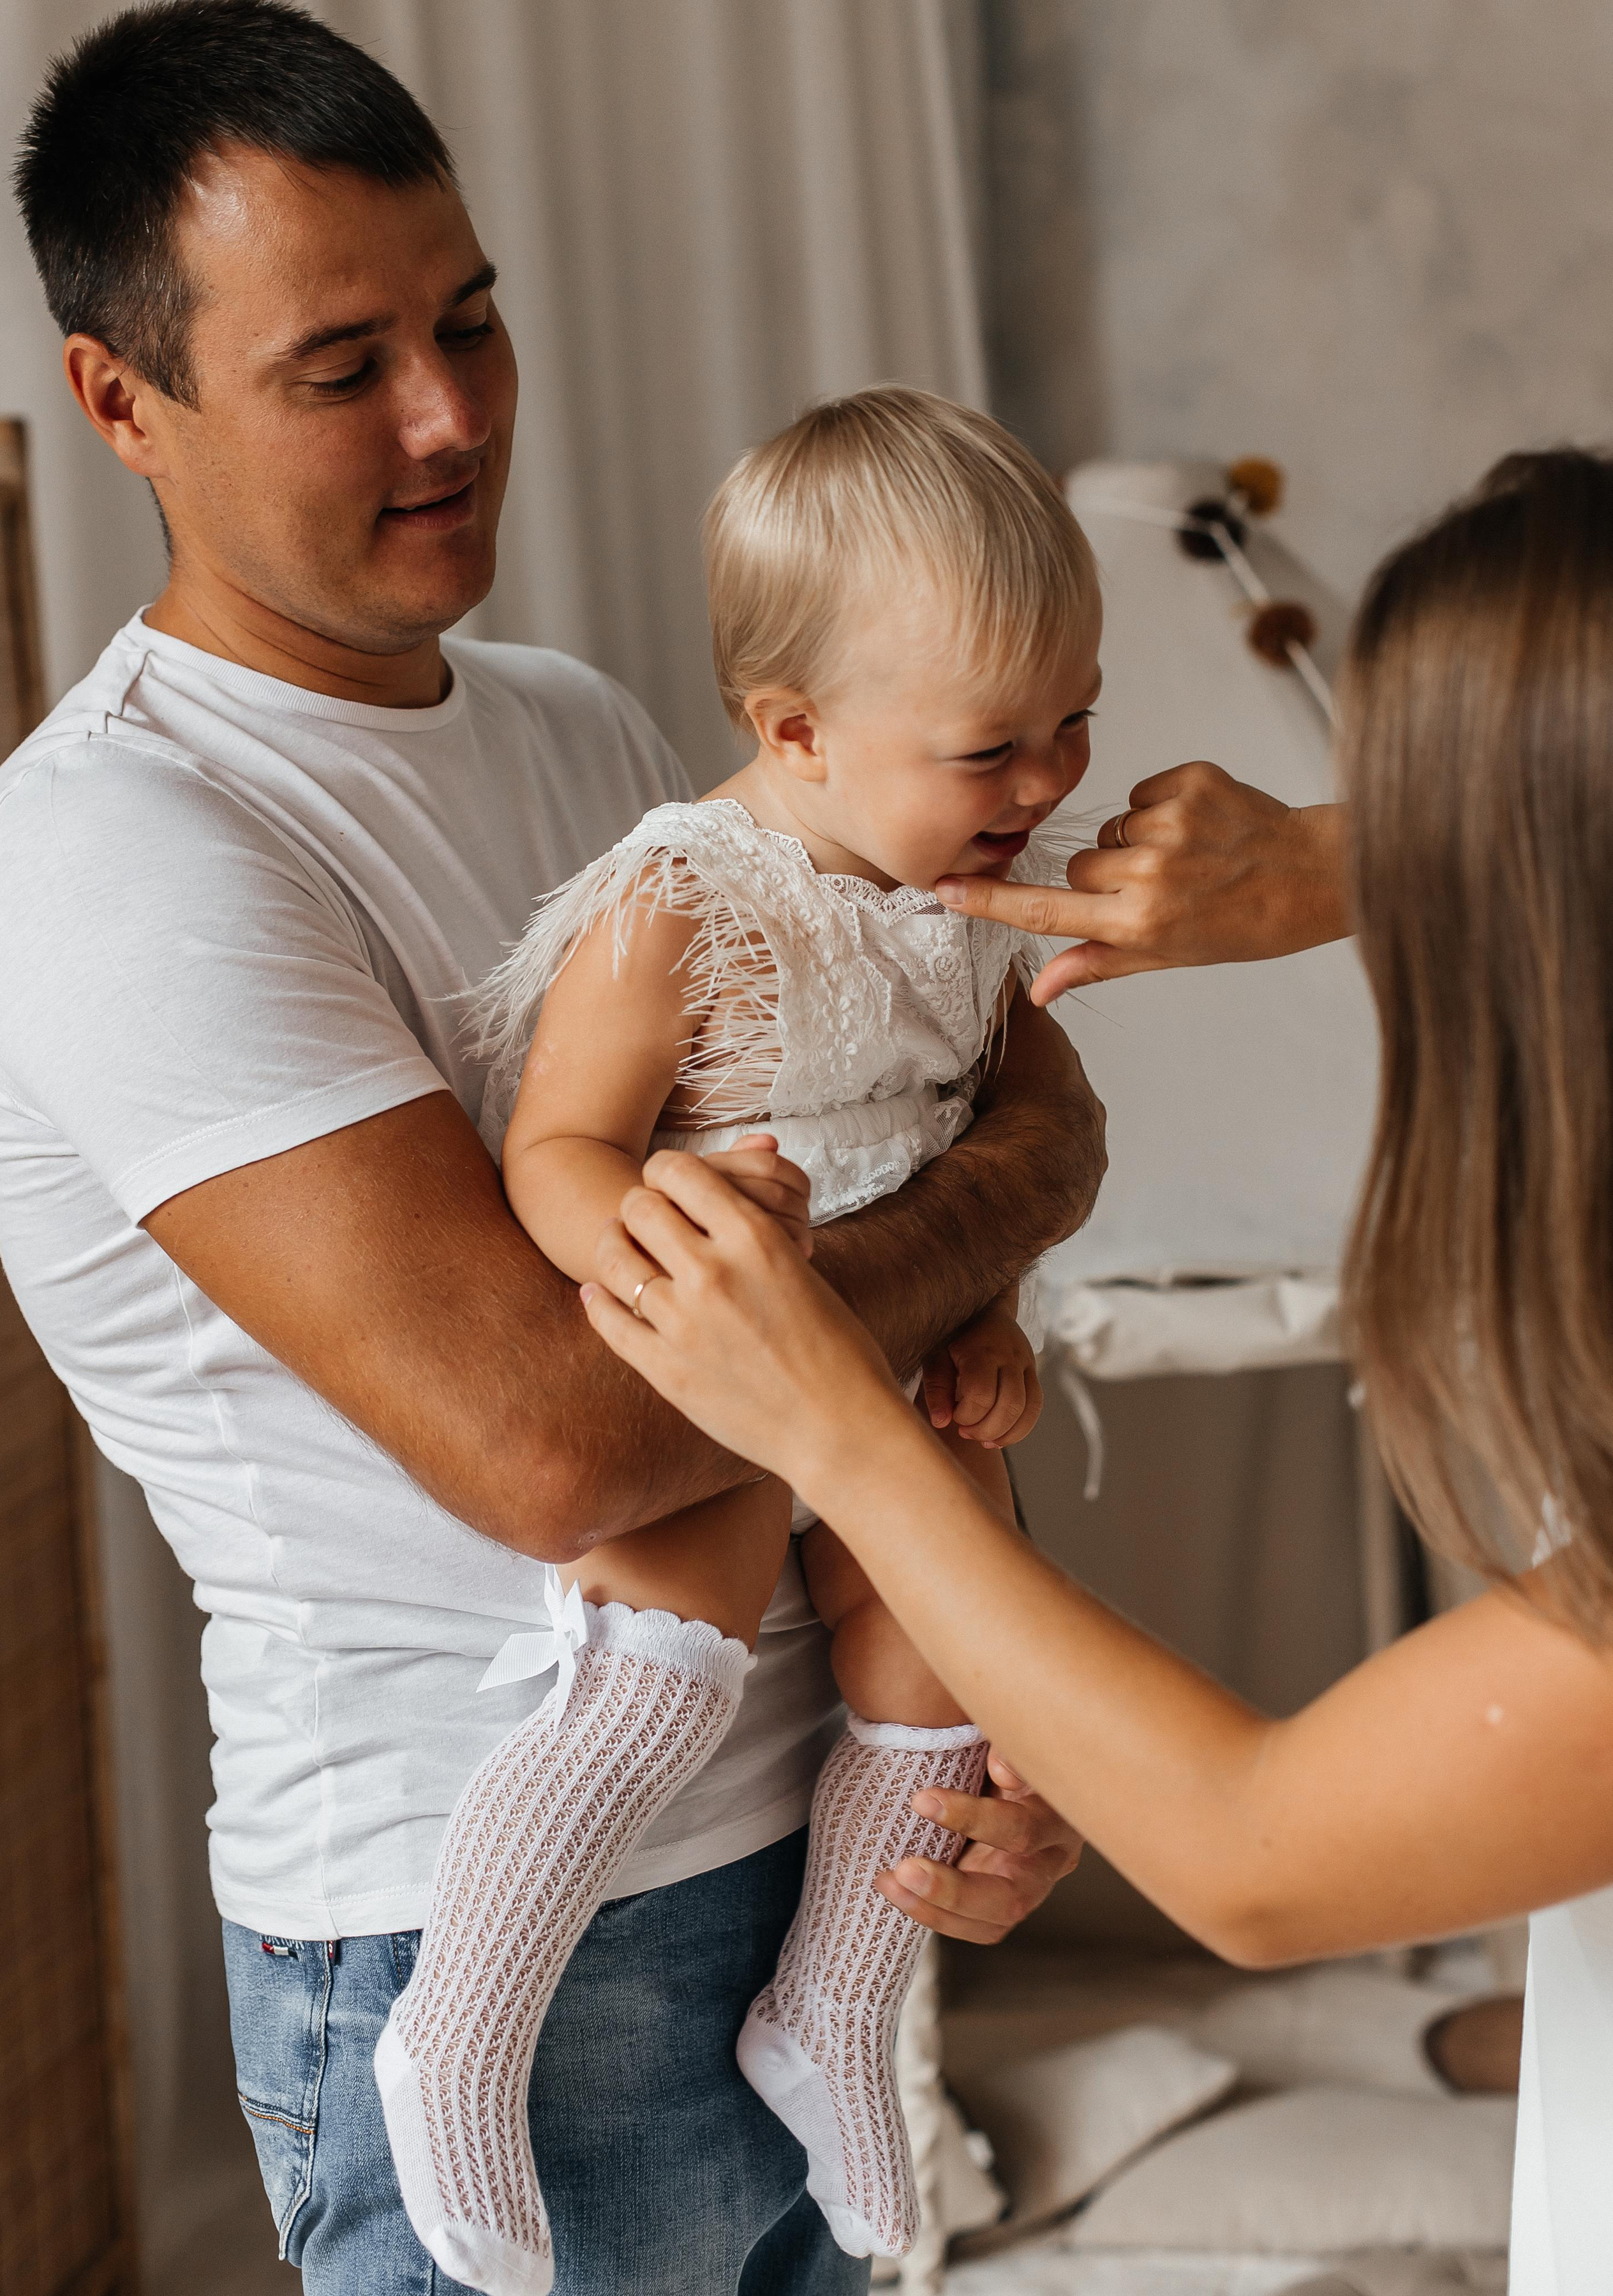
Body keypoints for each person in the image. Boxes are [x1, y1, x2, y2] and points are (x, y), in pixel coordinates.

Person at [0, 7, 1099, 2293]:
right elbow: (556, 1440)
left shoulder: (593, 732)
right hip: (490, 1924)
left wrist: (986, 1704)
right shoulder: (120, 851)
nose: (455, 416)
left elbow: (955, 1103)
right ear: (124, 403)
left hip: (802, 1854)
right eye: (344, 365)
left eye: (472, 321)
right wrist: (1010, 1203)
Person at [577, 448, 1613, 2293]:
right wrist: (1337, 857)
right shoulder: (678, 911)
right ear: (790, 731)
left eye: (1426, 848)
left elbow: (1257, 1853)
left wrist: (833, 1413)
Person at [375, 387, 1100, 2286]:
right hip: (711, 1363)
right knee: (656, 1682)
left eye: (1075, 719)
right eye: (992, 746)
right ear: (798, 733)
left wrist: (997, 1311)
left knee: (952, 1659)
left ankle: (837, 2013)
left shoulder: (962, 905)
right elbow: (554, 1144)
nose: (1048, 777)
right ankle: (452, 2036)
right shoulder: (688, 897)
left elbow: (981, 1142)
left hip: (891, 1355)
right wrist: (647, 1254)